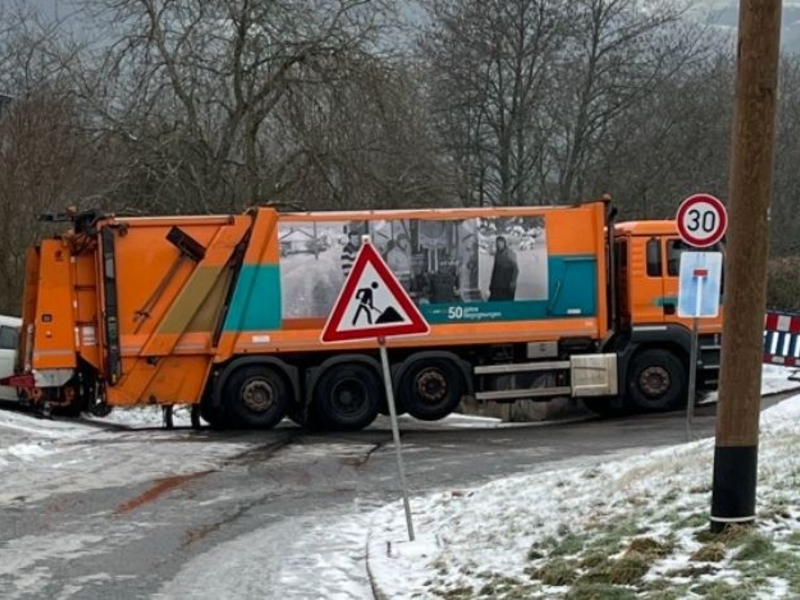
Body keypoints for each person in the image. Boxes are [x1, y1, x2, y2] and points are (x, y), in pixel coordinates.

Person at [489, 236, 519, 301]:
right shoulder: (497, 254)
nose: (499, 245)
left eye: (500, 243)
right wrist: (491, 284)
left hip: (507, 285)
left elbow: (515, 269)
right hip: (497, 285)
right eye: (497, 243)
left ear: (504, 243)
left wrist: (513, 282)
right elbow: (495, 270)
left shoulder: (509, 253)